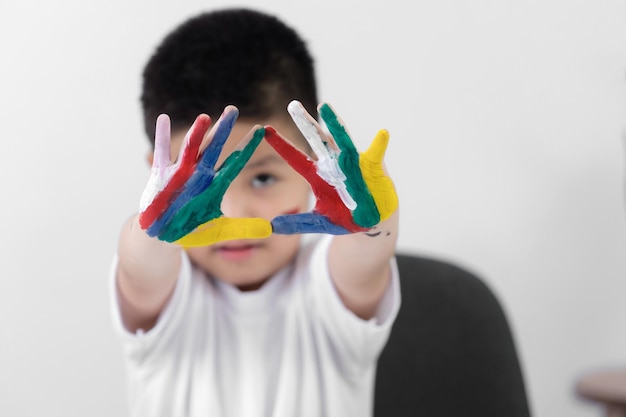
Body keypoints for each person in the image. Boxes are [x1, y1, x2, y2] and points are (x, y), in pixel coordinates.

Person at [111, 7, 400, 417]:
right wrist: (155, 228)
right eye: (197, 190)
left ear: (313, 164)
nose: (231, 212)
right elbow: (140, 267)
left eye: (263, 179)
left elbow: (367, 258)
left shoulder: (329, 295)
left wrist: (375, 223)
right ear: (158, 179)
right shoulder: (167, 303)